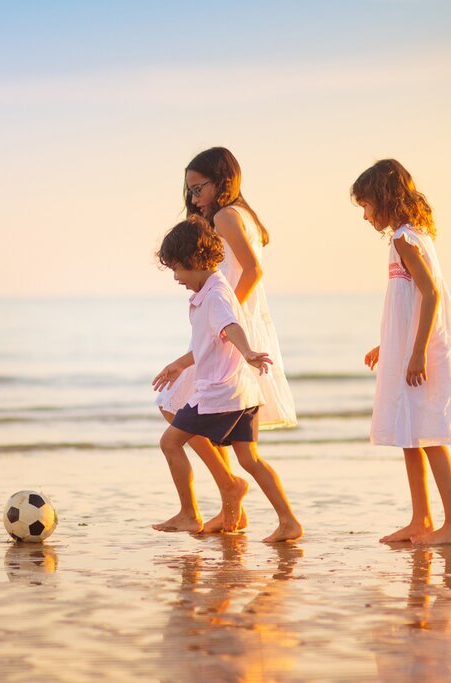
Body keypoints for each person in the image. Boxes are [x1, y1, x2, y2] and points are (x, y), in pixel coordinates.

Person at [156, 146, 298, 535]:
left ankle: (228, 490)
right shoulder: (239, 215)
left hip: (230, 329)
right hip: (227, 328)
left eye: (199, 188)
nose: (194, 197)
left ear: (223, 182)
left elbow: (253, 269)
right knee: (203, 423)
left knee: (175, 409)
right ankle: (234, 500)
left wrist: (226, 307)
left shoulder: (226, 215)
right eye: (190, 191)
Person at [353, 159, 451, 546]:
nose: (366, 215)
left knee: (428, 433)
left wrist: (416, 353)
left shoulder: (405, 237)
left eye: (367, 205)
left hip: (426, 349)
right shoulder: (411, 235)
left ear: (385, 199)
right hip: (413, 345)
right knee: (409, 432)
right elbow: (408, 303)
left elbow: (431, 293)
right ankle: (421, 519)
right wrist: (389, 344)